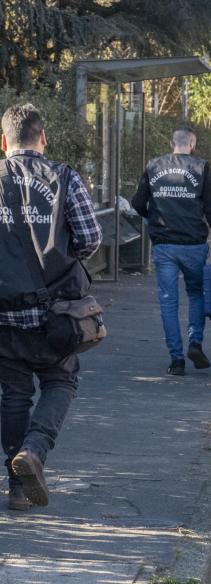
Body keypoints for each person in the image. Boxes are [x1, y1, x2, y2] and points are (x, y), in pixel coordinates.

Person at [0, 103, 102, 510]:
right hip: (56, 311)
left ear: (4, 141)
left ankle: (18, 486)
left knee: (13, 394)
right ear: (42, 137)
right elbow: (91, 237)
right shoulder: (64, 178)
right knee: (61, 381)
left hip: (4, 313)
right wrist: (60, 256)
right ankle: (35, 452)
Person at [132, 125, 211, 376]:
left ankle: (176, 359)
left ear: (172, 144)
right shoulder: (201, 168)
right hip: (194, 245)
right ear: (192, 144)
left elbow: (136, 202)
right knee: (196, 294)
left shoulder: (153, 166)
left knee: (168, 302)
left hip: (164, 245)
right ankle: (195, 342)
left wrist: (151, 218)